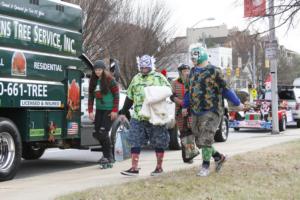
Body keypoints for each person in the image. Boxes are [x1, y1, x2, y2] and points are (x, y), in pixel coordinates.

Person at [183, 47, 244, 177]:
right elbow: (188, 91)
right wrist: (185, 106)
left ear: (201, 56)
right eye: (192, 58)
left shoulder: (214, 71)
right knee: (200, 141)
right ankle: (218, 157)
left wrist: (237, 103)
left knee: (206, 138)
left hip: (212, 110)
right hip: (196, 111)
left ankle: (205, 167)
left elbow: (226, 89)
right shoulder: (192, 72)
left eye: (195, 57)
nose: (193, 60)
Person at [119, 54, 171, 176]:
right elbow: (129, 97)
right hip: (138, 116)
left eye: (146, 67)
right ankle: (134, 168)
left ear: (151, 66)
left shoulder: (159, 78)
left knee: (159, 140)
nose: (144, 69)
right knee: (134, 140)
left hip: (155, 116)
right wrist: (123, 112)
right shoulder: (136, 79)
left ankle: (159, 167)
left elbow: (168, 92)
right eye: (142, 67)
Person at [88, 60, 119, 168]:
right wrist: (90, 111)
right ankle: (106, 155)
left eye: (100, 70)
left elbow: (116, 95)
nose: (97, 72)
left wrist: (115, 110)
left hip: (109, 110)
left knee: (103, 132)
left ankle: (109, 156)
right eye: (96, 70)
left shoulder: (110, 80)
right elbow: (91, 97)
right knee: (97, 133)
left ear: (104, 70)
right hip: (100, 110)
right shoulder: (93, 81)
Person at [170, 63, 194, 163]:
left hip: (191, 111)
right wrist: (179, 101)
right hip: (179, 112)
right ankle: (187, 157)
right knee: (184, 134)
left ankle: (190, 155)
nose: (186, 73)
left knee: (191, 133)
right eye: (184, 71)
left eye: (187, 71)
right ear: (180, 72)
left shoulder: (193, 81)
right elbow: (171, 96)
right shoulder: (175, 82)